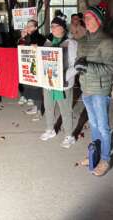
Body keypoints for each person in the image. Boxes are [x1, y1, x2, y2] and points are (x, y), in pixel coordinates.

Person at [75, 3, 113, 176]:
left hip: (100, 90)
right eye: (84, 17)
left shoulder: (107, 41)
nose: (85, 20)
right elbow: (80, 61)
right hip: (86, 88)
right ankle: (95, 155)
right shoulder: (82, 41)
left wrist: (88, 66)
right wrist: (78, 67)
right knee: (93, 124)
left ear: (97, 20)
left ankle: (105, 159)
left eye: (89, 17)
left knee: (103, 126)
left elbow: (111, 67)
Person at [39, 17, 78, 149]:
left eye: (55, 26)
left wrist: (63, 77)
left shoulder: (71, 43)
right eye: (52, 26)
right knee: (49, 106)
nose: (53, 28)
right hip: (49, 81)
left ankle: (69, 135)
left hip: (63, 83)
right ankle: (50, 129)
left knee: (65, 110)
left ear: (62, 28)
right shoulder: (47, 42)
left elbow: (75, 65)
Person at [18, 19, 46, 119]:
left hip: (36, 67)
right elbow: (19, 48)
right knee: (31, 88)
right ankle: (36, 106)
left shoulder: (39, 37)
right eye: (27, 25)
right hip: (28, 67)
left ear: (35, 27)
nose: (28, 27)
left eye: (30, 26)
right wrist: (22, 37)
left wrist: (38, 47)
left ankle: (39, 110)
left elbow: (44, 49)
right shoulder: (26, 37)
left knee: (37, 89)